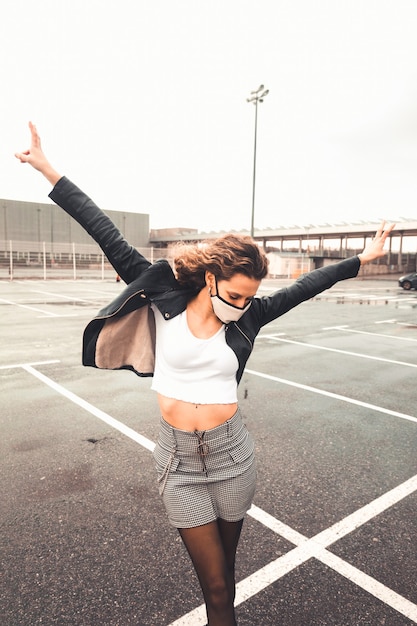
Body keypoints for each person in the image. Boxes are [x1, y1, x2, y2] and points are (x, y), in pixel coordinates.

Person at [15, 122, 394, 626]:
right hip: (178, 460)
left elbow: (307, 285)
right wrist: (47, 169)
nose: (241, 305)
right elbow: (102, 228)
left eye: (249, 298)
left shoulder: (253, 315)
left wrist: (358, 261)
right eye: (234, 294)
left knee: (226, 582)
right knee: (215, 588)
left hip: (233, 455)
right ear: (212, 276)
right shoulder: (166, 294)